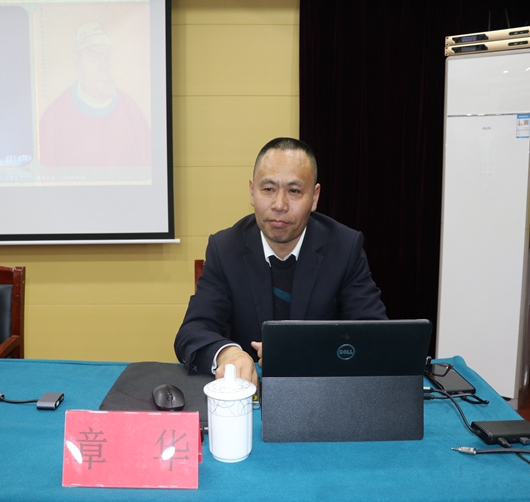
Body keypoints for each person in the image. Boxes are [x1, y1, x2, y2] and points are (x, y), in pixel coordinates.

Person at [174, 137, 387, 386]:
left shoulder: (344, 247)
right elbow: (192, 331)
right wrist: (227, 354)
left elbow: (374, 335)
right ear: (252, 191)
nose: (279, 205)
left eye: (294, 191)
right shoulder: (225, 248)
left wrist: (305, 350)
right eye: (268, 189)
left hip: (321, 391)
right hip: (248, 394)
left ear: (314, 197)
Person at [38, 21, 151, 167]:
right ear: (78, 65)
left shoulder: (129, 108)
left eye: (107, 56)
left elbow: (151, 164)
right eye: (93, 57)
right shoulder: (55, 115)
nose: (104, 65)